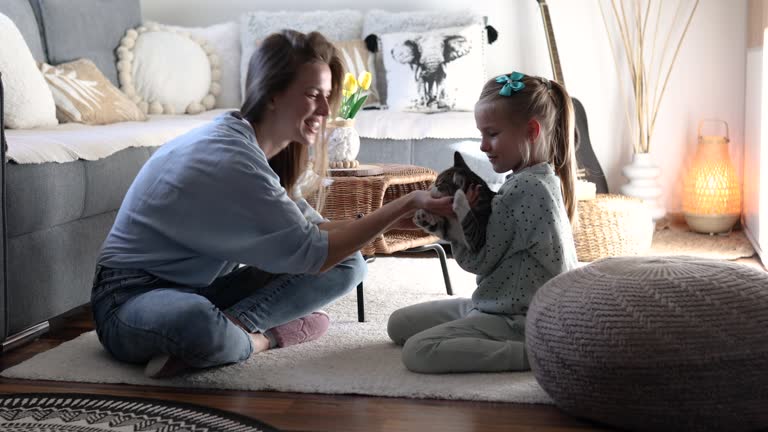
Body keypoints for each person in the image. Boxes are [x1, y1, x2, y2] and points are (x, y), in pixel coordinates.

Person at [91, 30, 453, 379]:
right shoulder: (232, 159)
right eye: (313, 94)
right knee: (196, 320)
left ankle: (226, 334)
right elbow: (315, 252)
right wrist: (406, 204)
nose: (326, 109)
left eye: (327, 96)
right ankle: (263, 338)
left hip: (200, 288)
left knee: (351, 264)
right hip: (128, 300)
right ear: (273, 93)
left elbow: (318, 235)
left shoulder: (254, 150)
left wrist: (400, 214)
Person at [387, 71, 579, 373]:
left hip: (517, 319)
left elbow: (479, 261)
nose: (483, 146)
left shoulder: (524, 189)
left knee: (418, 351)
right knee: (398, 324)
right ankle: (481, 325)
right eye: (481, 135)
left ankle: (533, 356)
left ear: (531, 131)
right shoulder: (538, 179)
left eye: (492, 134)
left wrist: (453, 222)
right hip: (495, 303)